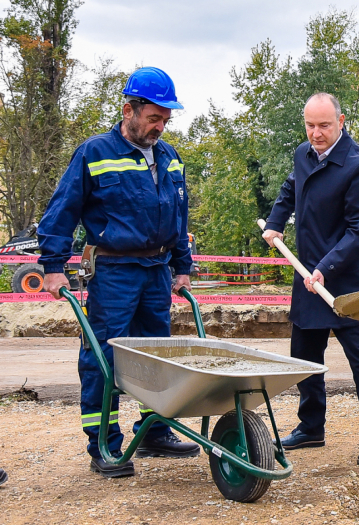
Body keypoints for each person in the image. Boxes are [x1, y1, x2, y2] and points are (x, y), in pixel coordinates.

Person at [37, 67, 200, 478]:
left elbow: (179, 217)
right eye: (154, 118)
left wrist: (182, 266)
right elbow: (62, 210)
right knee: (103, 357)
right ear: (129, 110)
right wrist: (53, 266)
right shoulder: (94, 153)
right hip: (113, 271)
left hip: (157, 270)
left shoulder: (170, 157)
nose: (160, 127)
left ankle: (154, 432)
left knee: (156, 355)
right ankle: (104, 445)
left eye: (165, 120)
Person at [262, 92, 359, 465]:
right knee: (304, 354)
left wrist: (327, 266)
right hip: (309, 275)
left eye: (324, 125)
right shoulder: (303, 155)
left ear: (341, 121)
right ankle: (311, 427)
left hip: (347, 279)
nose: (316, 133)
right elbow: (290, 188)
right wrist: (275, 222)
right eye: (310, 125)